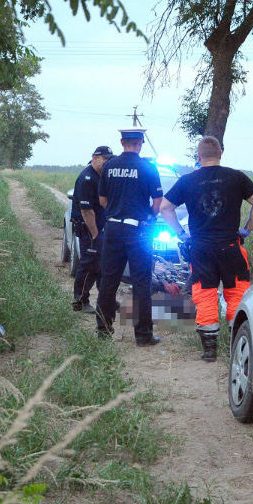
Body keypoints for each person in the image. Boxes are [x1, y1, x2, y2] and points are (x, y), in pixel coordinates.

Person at [160, 136, 253, 362]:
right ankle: (238, 347)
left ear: (198, 157)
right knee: (236, 294)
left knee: (205, 294)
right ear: (220, 154)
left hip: (200, 249)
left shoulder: (187, 181)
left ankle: (209, 350)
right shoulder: (236, 177)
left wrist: (181, 234)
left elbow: (165, 207)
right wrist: (246, 230)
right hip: (231, 246)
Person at [96, 128, 164, 346]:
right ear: (141, 142)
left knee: (108, 281)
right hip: (138, 231)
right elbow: (157, 202)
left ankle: (103, 331)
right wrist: (148, 217)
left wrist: (116, 211)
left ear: (121, 142)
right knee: (141, 282)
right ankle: (143, 335)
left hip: (113, 229)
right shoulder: (148, 168)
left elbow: (102, 200)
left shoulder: (109, 166)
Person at [71, 145, 113, 313]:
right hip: (89, 229)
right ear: (95, 158)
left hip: (99, 228)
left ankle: (106, 300)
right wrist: (95, 236)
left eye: (109, 160)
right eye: (105, 159)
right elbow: (87, 211)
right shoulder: (87, 179)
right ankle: (80, 301)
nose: (107, 163)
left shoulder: (100, 176)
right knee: (89, 265)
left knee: (102, 266)